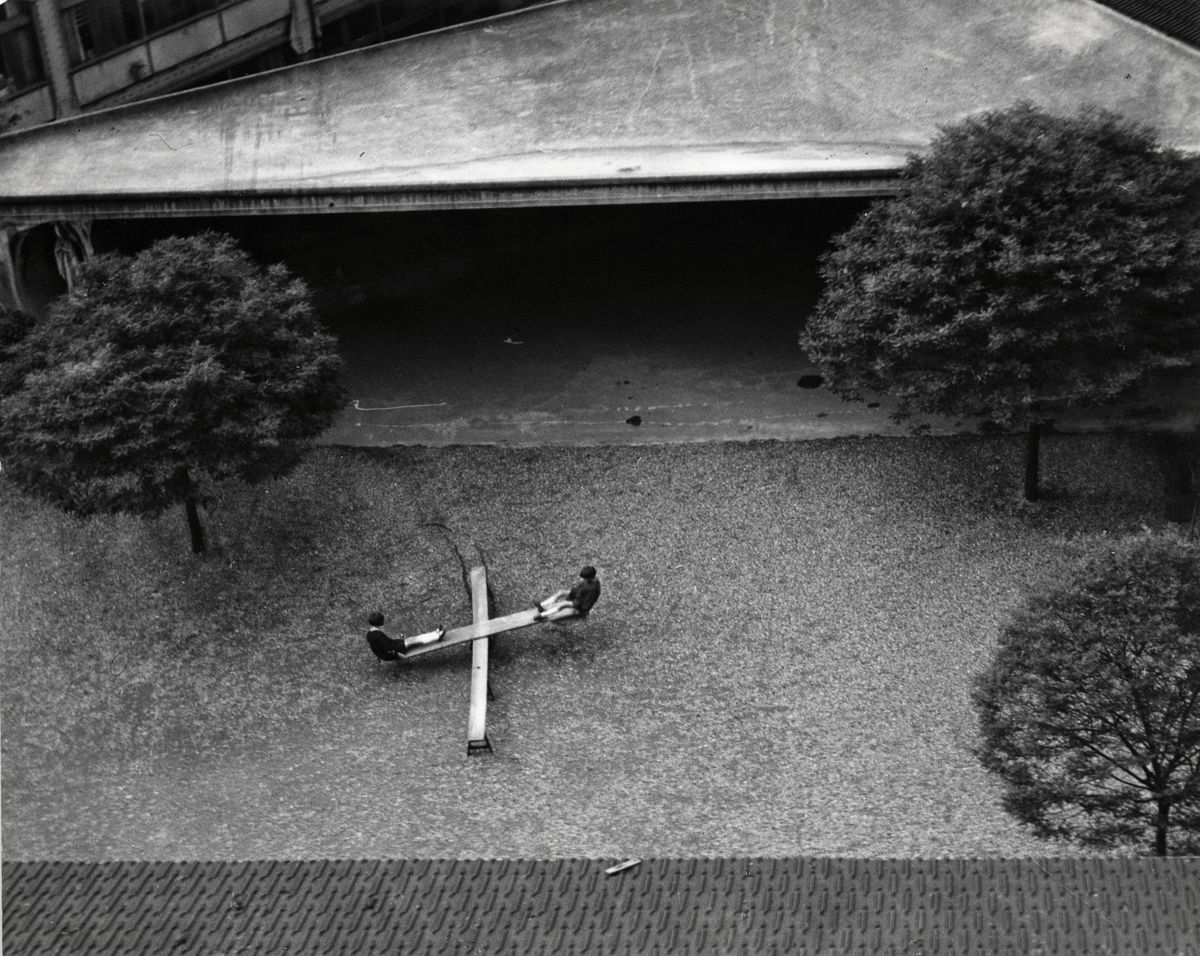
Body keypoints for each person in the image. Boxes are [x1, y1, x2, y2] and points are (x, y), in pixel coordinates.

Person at [533, 566, 601, 621]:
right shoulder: (590, 580)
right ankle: (542, 606)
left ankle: (542, 616)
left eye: (584, 578)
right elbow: (579, 589)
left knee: (563, 604)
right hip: (578, 594)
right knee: (561, 592)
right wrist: (571, 593)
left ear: (589, 578)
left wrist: (583, 611)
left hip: (579, 602)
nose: (583, 579)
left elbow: (589, 601)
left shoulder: (593, 589)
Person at [366, 612, 443, 660]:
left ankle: (434, 633)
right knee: (413, 641)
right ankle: (437, 636)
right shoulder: (378, 635)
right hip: (391, 652)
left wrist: (379, 655)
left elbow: (376, 648)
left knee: (412, 638)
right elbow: (387, 649)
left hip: (391, 645)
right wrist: (397, 654)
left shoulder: (370, 633)